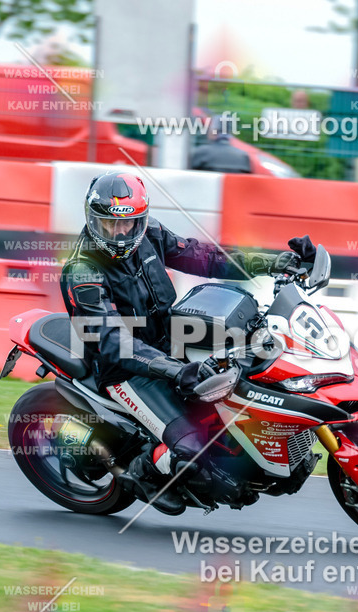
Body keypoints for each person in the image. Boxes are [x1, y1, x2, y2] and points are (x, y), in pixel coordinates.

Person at [61, 171, 314, 513]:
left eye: (129, 224)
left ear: (141, 219)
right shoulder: (82, 272)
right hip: (125, 370)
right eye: (110, 225)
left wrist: (273, 263)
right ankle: (145, 473)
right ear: (93, 220)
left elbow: (204, 256)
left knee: (249, 379)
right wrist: (176, 371)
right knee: (195, 449)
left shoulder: (149, 234)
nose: (121, 234)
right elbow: (112, 342)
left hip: (173, 341)